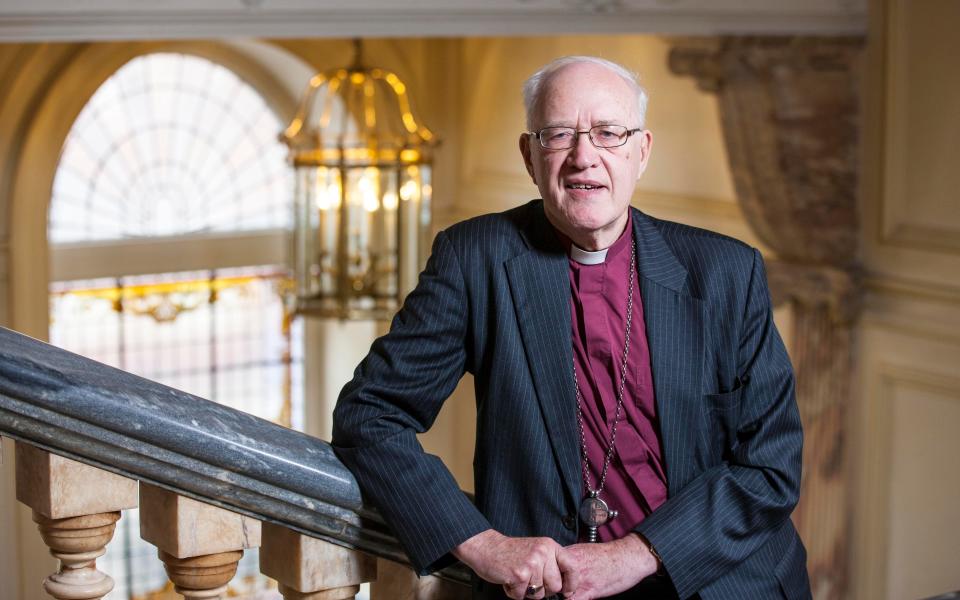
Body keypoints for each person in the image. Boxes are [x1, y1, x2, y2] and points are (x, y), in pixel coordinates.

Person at [332, 56, 810, 600]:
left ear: (641, 150)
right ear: (530, 156)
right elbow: (370, 414)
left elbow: (770, 467)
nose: (585, 158)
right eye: (559, 135)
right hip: (554, 587)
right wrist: (479, 542)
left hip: (724, 581)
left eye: (609, 133)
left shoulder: (726, 272)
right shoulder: (476, 258)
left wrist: (634, 555)